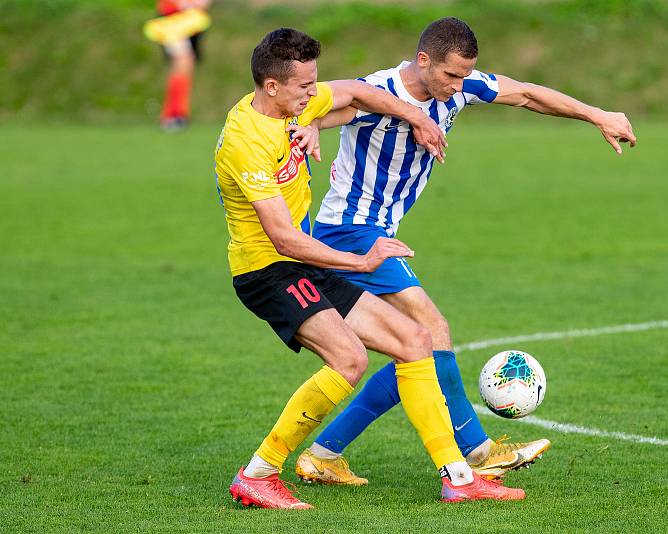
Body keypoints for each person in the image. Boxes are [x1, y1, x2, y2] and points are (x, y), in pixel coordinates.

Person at [292, 17, 637, 485]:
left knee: (412, 352)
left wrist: (598, 114)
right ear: (424, 60)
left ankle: (324, 454)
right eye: (451, 75)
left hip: (377, 232)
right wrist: (309, 123)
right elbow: (327, 101)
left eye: (464, 76)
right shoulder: (379, 91)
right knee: (432, 329)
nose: (458, 87)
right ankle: (478, 450)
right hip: (348, 231)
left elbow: (529, 94)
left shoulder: (458, 88)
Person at [215, 27, 526, 509]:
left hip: (302, 262)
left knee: (415, 340)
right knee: (350, 359)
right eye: (304, 88)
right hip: (267, 270)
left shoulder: (294, 102)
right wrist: (361, 261)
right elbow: (283, 237)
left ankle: (460, 479)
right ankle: (258, 473)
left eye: (314, 84)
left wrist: (417, 119)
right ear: (272, 86)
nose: (313, 95)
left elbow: (360, 91)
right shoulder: (246, 141)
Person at [154, 0, 212, 131]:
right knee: (182, 62)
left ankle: (178, 113)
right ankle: (171, 115)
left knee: (187, 65)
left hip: (191, 21)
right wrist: (185, 4)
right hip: (171, 21)